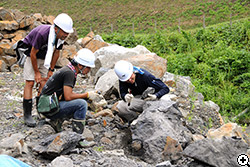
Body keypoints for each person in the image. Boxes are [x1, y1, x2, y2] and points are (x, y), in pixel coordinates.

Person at [20, 13, 74, 127]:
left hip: (45, 58)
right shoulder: (42, 33)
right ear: (56, 29)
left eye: (67, 33)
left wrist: (51, 69)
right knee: (30, 82)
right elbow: (33, 53)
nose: (66, 35)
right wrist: (36, 73)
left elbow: (56, 52)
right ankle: (27, 114)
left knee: (44, 84)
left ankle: (41, 111)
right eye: (64, 32)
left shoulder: (60, 38)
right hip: (31, 56)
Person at [39, 48, 100, 134]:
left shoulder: (68, 70)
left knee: (80, 100)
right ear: (80, 65)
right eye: (88, 67)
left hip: (47, 105)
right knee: (82, 104)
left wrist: (86, 96)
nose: (89, 70)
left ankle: (56, 121)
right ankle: (77, 135)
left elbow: (66, 94)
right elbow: (68, 97)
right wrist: (87, 95)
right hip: (48, 108)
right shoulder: (69, 73)